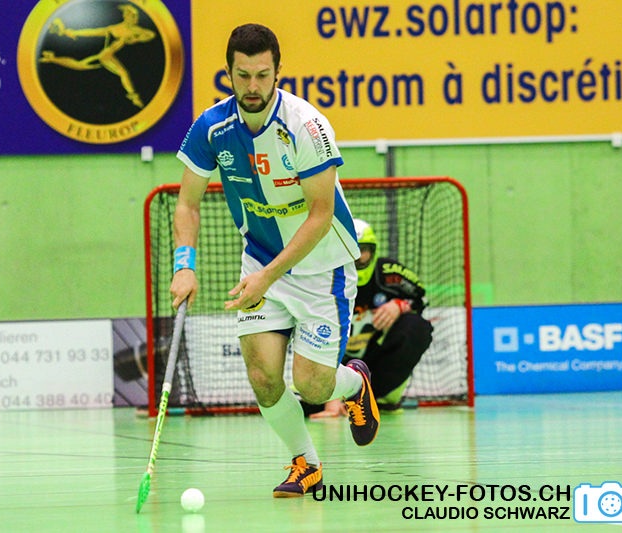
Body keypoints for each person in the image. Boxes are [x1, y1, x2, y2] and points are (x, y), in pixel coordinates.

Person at [169, 23, 380, 498]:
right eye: (242, 75)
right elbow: (187, 204)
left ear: (278, 72)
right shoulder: (211, 128)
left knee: (312, 385)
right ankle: (306, 462)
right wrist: (185, 264)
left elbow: (321, 215)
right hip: (261, 259)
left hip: (322, 266)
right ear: (228, 73)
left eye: (262, 75)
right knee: (263, 376)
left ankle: (354, 384)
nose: (252, 86)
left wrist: (267, 276)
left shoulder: (306, 126)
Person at [304, 219, 433, 418]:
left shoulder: (390, 273)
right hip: (334, 363)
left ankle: (378, 396)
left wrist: (400, 305)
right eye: (350, 249)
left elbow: (421, 298)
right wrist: (332, 397)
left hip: (372, 364)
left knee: (417, 327)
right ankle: (336, 399)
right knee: (305, 404)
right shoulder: (323, 278)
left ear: (373, 250)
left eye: (362, 249)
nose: (357, 255)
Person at [40, 4, 155, 108]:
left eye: (135, 16)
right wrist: (75, 33)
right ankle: (134, 97)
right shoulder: (113, 29)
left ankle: (52, 58)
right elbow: (92, 32)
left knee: (83, 65)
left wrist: (135, 38)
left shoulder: (136, 30)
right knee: (119, 72)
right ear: (126, 16)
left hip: (107, 57)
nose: (135, 18)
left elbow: (150, 35)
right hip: (104, 57)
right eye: (132, 15)